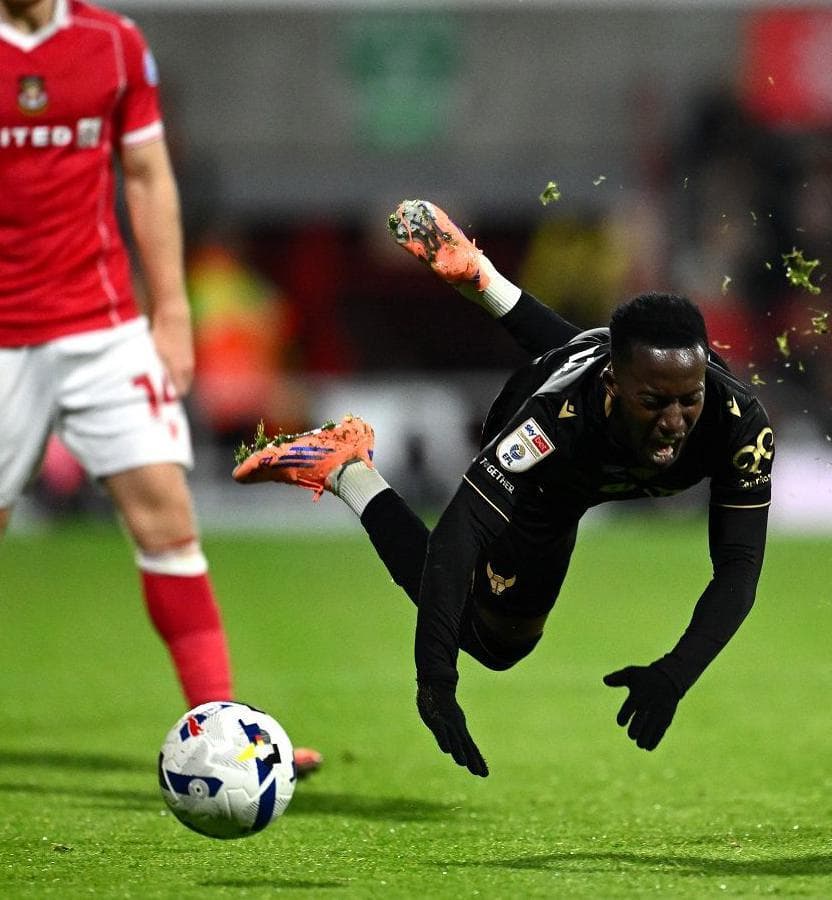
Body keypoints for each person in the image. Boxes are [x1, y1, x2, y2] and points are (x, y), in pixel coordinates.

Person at [234, 201, 776, 777]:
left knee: (592, 355)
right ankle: (346, 467)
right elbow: (459, 534)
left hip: (596, 391)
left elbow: (739, 570)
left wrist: (675, 673)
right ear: (616, 387)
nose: (674, 420)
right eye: (655, 403)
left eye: (687, 400)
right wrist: (437, 679)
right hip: (555, 480)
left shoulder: (739, 424)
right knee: (498, 645)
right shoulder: (547, 423)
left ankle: (483, 278)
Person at [0, 0, 320, 775]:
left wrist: (172, 310)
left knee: (170, 523)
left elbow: (146, 174)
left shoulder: (113, 44)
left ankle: (223, 741)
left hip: (101, 326)